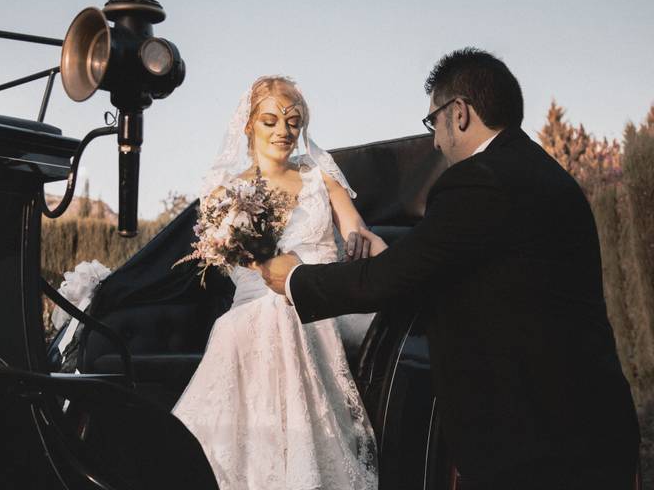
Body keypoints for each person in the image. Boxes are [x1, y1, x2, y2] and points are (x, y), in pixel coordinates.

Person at [259, 49, 640, 490]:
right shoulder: (544, 175)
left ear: (459, 113)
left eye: (433, 123)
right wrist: (395, 258)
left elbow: (386, 282)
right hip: (589, 428)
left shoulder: (480, 178)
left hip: (537, 445)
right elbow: (482, 282)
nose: (435, 142)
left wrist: (294, 278)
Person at [172, 76, 378, 490]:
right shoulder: (223, 194)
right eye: (270, 121)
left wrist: (376, 249)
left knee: (279, 314)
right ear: (249, 126)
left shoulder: (322, 177)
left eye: (293, 121)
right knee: (262, 316)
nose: (284, 131)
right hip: (254, 317)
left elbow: (358, 230)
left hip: (322, 309)